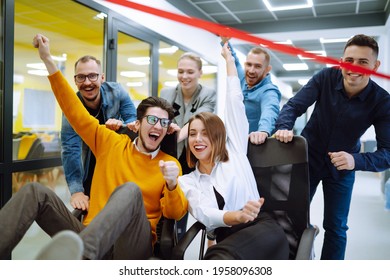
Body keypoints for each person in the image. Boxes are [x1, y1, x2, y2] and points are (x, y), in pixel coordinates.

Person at [0, 34, 188, 260]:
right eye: (151, 120)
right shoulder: (109, 141)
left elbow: (176, 213)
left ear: (168, 129)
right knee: (34, 192)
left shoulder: (169, 164)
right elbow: (74, 112)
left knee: (129, 190)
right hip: (89, 233)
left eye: (163, 122)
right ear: (137, 125)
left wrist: (171, 184)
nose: (157, 125)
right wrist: (48, 60)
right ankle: (83, 253)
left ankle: (83, 259)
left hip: (131, 246)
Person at [274, 34, 390, 260]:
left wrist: (355, 160)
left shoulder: (382, 101)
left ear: (376, 66)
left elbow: (387, 153)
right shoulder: (325, 77)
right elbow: (293, 106)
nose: (353, 67)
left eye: (363, 62)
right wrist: (285, 127)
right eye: (349, 60)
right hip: (307, 159)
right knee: (291, 219)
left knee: (336, 228)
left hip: (343, 166)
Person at [177, 43, 289, 260]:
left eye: (205, 133)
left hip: (262, 230)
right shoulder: (188, 181)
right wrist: (237, 215)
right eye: (192, 134)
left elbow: (234, 100)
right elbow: (205, 214)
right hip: (229, 240)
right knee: (219, 256)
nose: (198, 139)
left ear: (218, 136)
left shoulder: (235, 149)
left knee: (217, 258)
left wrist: (229, 60)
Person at [62, 55, 136, 212]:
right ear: (75, 80)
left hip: (117, 161)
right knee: (91, 210)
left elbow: (135, 125)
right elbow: (70, 148)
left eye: (92, 76)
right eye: (81, 77)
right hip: (90, 164)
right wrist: (77, 191)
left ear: (102, 77)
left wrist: (120, 126)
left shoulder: (118, 92)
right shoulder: (71, 108)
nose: (87, 82)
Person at [160, 52, 216, 240]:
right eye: (181, 71)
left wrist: (172, 136)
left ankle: (184, 235)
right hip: (169, 154)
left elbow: (195, 122)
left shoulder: (208, 94)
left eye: (190, 72)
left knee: (186, 198)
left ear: (200, 72)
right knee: (166, 196)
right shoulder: (166, 94)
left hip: (193, 154)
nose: (184, 76)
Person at [220, 37, 281, 145]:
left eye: (258, 66)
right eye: (249, 64)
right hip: (234, 142)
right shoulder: (243, 78)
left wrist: (263, 131)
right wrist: (225, 41)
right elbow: (234, 60)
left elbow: (270, 111)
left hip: (255, 146)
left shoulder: (269, 91)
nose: (251, 70)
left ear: (267, 69)